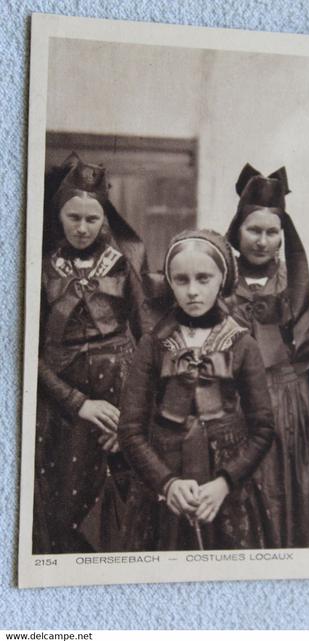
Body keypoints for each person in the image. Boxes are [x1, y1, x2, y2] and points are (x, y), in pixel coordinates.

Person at [118, 229, 275, 551]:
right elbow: (130, 430)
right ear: (170, 283)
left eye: (204, 279)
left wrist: (225, 483)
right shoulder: (153, 345)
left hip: (227, 495)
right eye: (181, 280)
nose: (192, 291)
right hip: (165, 493)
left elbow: (263, 429)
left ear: (222, 280)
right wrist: (167, 483)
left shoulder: (243, 344)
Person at [33, 153, 149, 553]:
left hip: (118, 406)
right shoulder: (40, 269)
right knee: (62, 515)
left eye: (91, 218)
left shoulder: (123, 266)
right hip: (61, 414)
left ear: (104, 220)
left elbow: (150, 343)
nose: (82, 228)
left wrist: (131, 420)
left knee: (120, 518)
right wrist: (77, 403)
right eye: (73, 217)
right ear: (58, 215)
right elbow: (26, 353)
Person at [225, 164, 309, 547]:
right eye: (253, 230)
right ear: (237, 230)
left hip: (291, 416)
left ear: (282, 235)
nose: (262, 241)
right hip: (234, 414)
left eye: (272, 232)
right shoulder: (218, 281)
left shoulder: (296, 285)